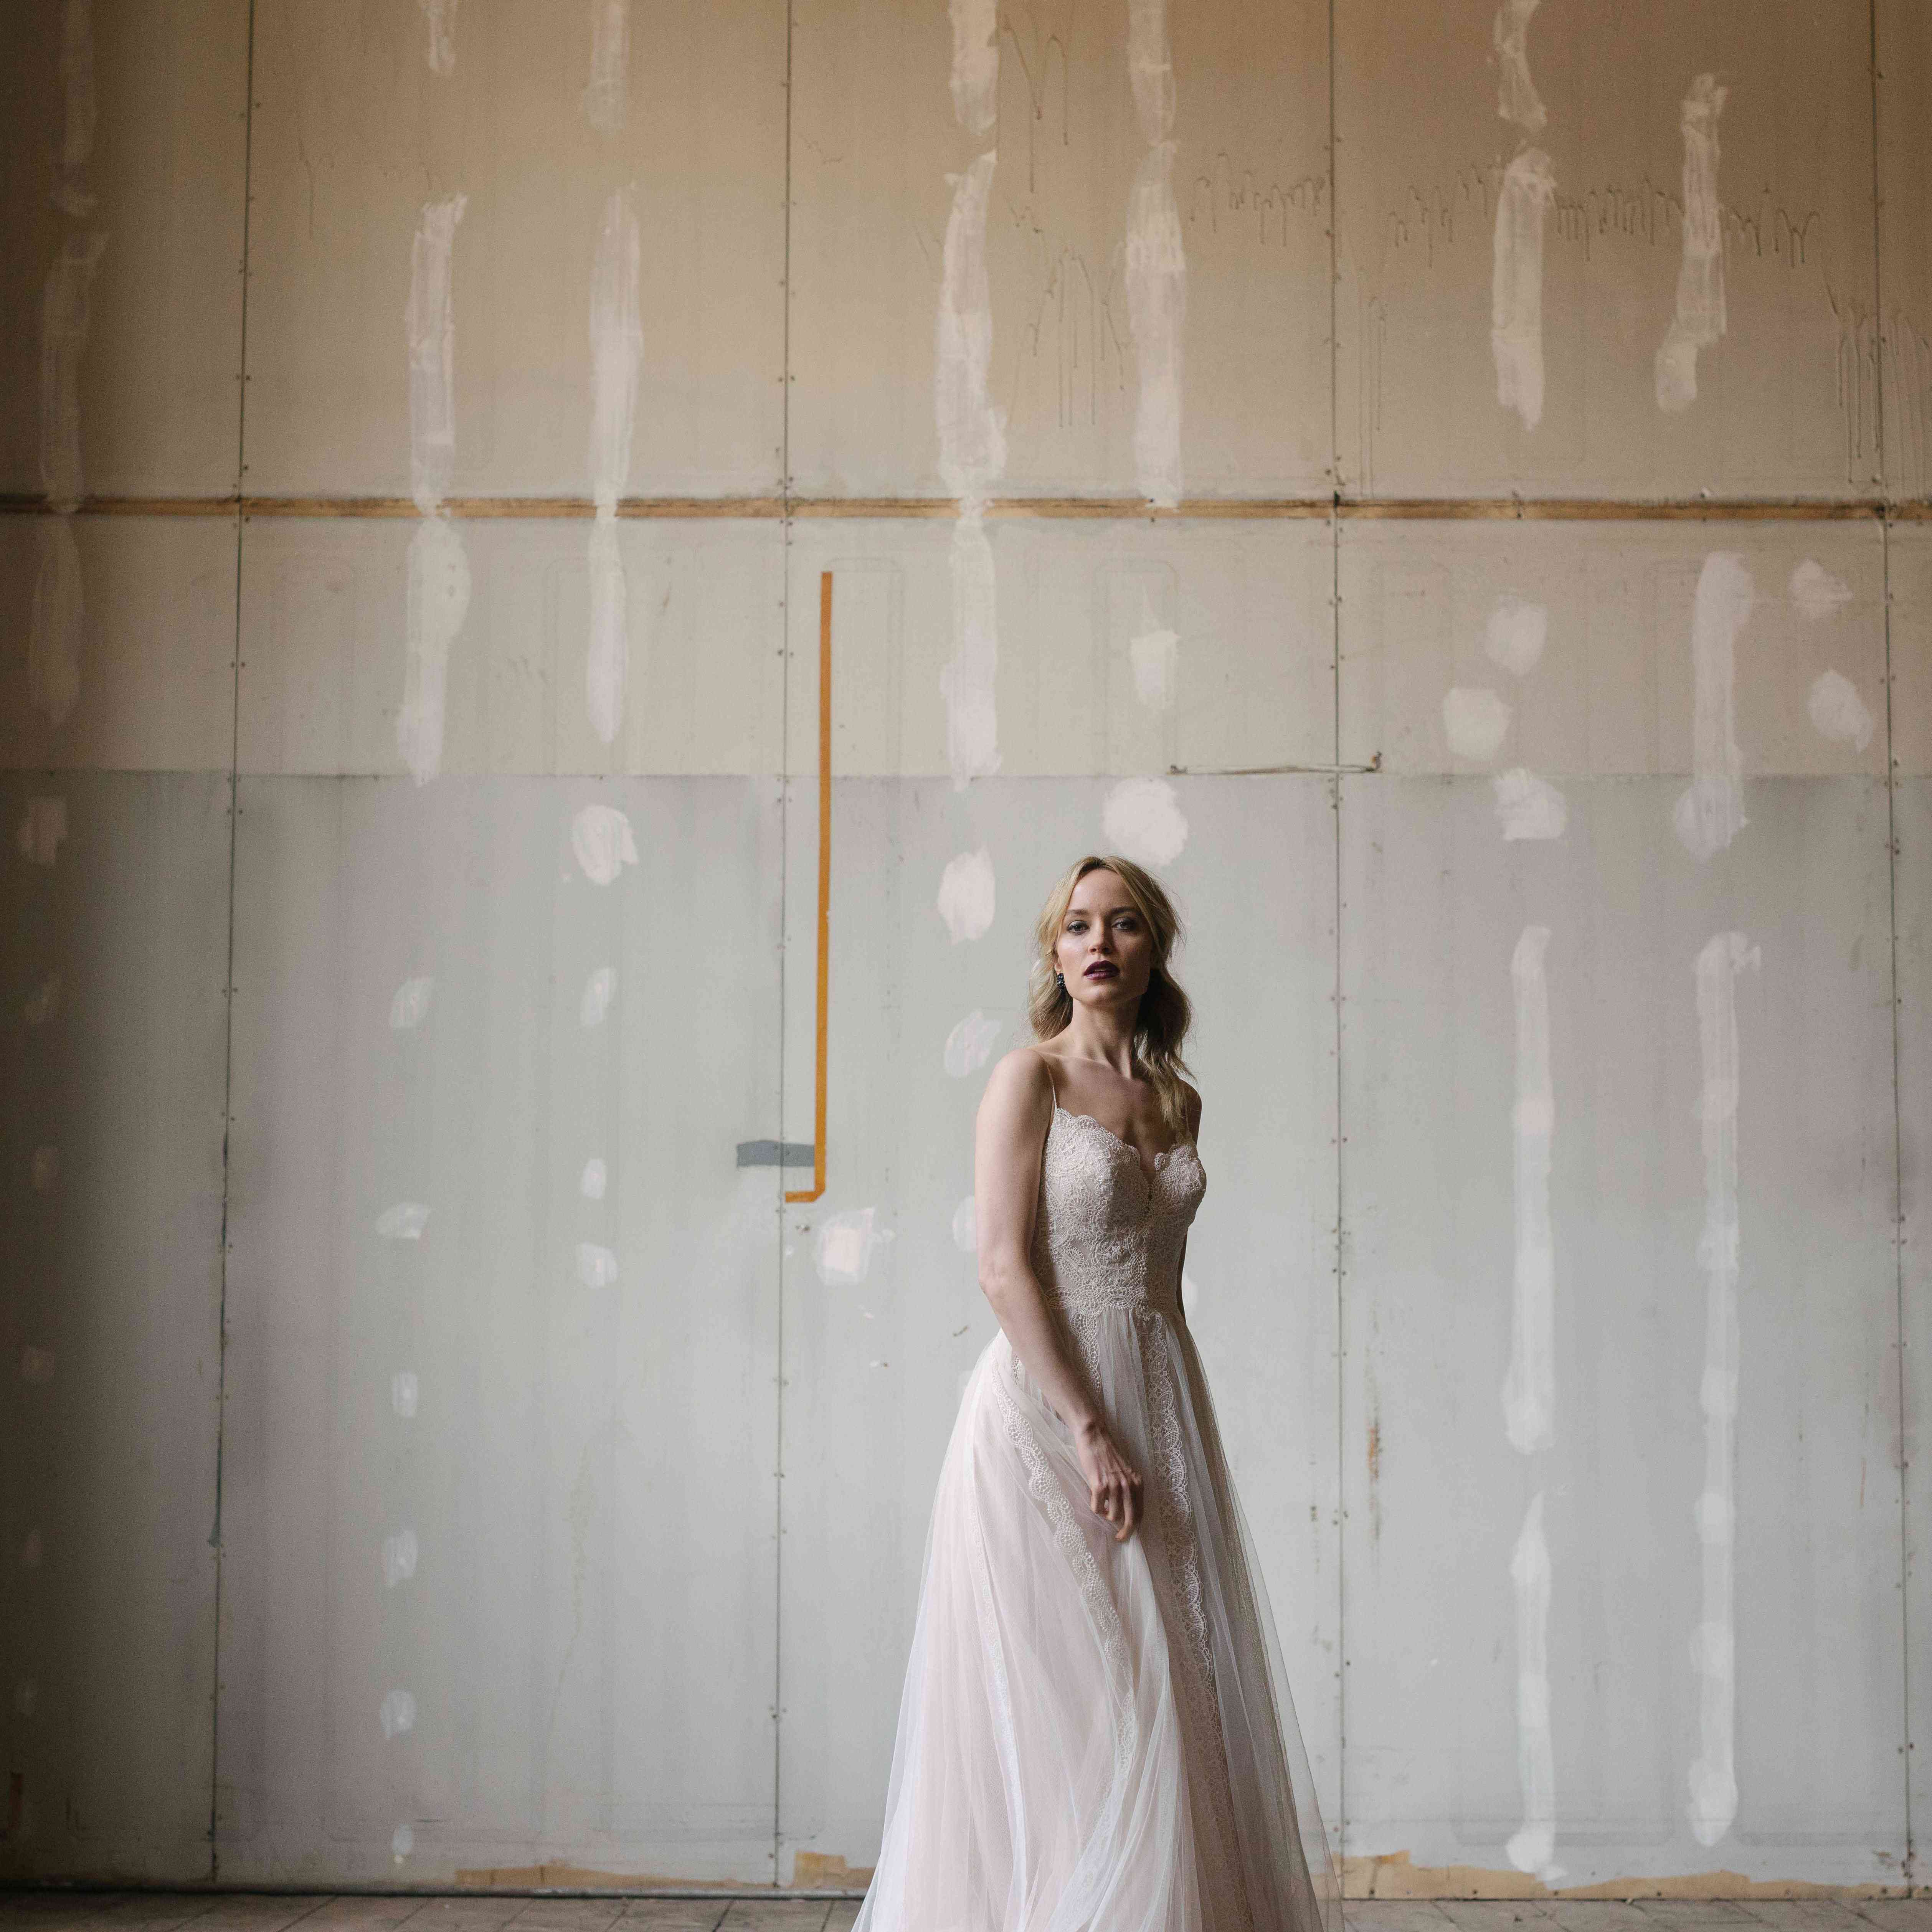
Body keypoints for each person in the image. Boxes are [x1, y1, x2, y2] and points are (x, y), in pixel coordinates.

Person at [850, 854, 1343, 1932]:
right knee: (1079, 1703)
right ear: (1054, 951)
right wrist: (1086, 1425)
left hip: (1161, 1397)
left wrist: (1152, 1421)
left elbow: (1162, 1278)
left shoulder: (1178, 1100)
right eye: (1076, 925)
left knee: (1176, 1681)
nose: (1098, 943)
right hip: (1047, 1416)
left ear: (1153, 947)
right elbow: (1000, 1266)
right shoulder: (1028, 1078)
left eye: (1122, 923)